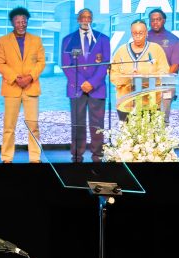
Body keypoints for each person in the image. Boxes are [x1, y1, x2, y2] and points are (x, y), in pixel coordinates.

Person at [0, 7, 45, 163]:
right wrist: (16, 78)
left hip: (31, 87)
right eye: (18, 21)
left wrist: (30, 77)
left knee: (33, 126)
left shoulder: (36, 40)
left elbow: (41, 62)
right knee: (9, 127)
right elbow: (0, 63)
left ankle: (35, 158)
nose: (21, 24)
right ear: (12, 23)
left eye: (24, 21)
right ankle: (6, 158)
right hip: (12, 88)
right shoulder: (2, 41)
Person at [61, 8, 109, 162]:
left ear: (92, 19)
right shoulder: (68, 40)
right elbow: (66, 65)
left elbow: (105, 64)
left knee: (98, 125)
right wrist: (82, 83)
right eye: (83, 17)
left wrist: (92, 83)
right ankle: (77, 156)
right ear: (78, 20)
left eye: (89, 17)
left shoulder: (103, 39)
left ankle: (98, 155)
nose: (86, 20)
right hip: (76, 88)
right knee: (77, 124)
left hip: (97, 88)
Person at [112, 19, 170, 122]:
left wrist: (144, 77)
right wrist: (128, 78)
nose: (137, 36)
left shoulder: (156, 49)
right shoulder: (121, 51)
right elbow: (113, 75)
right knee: (127, 131)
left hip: (150, 103)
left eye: (141, 33)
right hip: (125, 104)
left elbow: (164, 72)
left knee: (149, 131)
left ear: (146, 33)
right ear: (131, 33)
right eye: (135, 33)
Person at [147, 8, 179, 122]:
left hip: (167, 81)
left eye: (158, 19)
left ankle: (162, 132)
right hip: (145, 80)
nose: (155, 22)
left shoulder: (174, 40)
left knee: (162, 118)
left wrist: (161, 79)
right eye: (152, 20)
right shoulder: (143, 38)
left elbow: (176, 65)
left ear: (164, 20)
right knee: (145, 117)